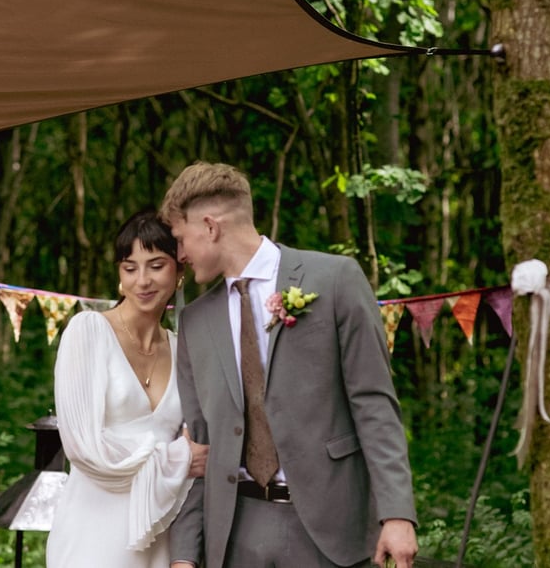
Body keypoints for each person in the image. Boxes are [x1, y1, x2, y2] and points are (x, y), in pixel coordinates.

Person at [160, 162, 418, 568]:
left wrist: (397, 513)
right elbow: (199, 447)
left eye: (180, 238)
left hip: (330, 531)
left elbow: (374, 404)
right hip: (235, 538)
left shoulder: (335, 280)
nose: (180, 255)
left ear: (209, 227)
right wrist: (185, 556)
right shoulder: (194, 321)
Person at [46, 210, 208, 568]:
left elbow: (198, 440)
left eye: (156, 265)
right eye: (130, 268)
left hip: (157, 533)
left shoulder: (183, 350)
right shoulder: (88, 331)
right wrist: (178, 459)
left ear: (179, 271)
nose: (142, 281)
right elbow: (84, 448)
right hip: (91, 534)